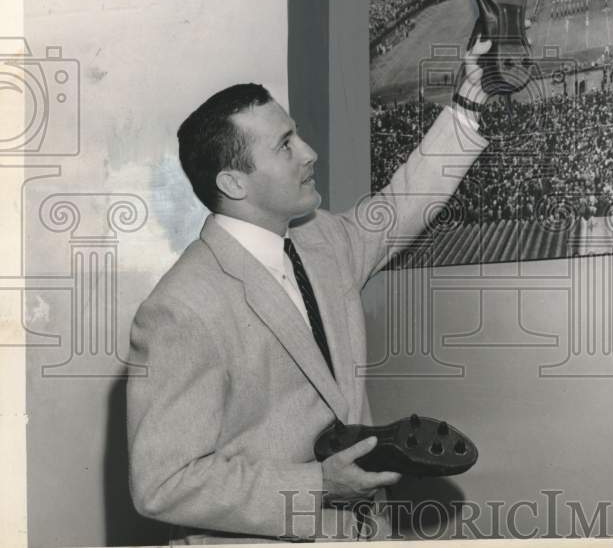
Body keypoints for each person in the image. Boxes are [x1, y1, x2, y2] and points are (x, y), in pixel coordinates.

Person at [127, 39, 494, 544]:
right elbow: (162, 484)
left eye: (295, 135)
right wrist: (317, 485)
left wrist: (468, 103)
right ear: (235, 183)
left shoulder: (320, 238)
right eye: (285, 144)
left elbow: (403, 205)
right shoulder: (181, 308)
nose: (309, 152)